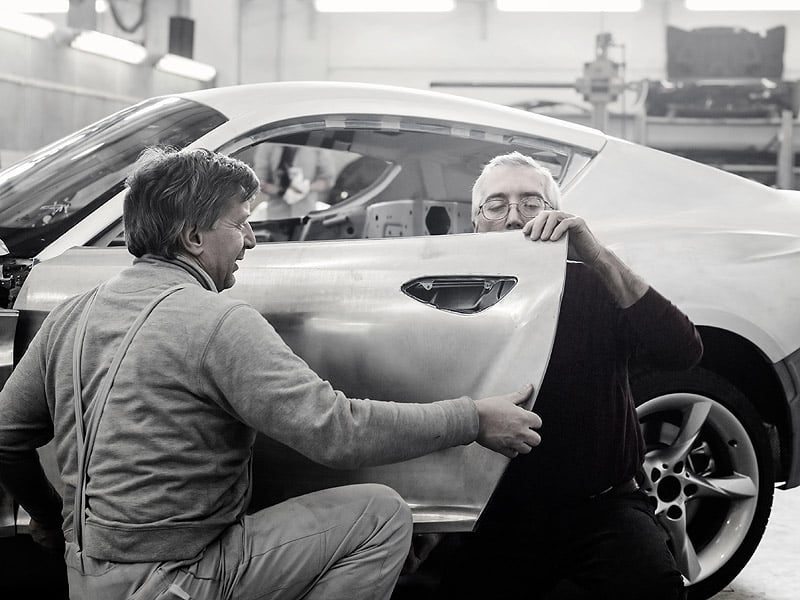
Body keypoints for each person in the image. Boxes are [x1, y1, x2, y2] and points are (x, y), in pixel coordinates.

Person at [0, 147, 543, 600]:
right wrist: (473, 418)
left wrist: (50, 520)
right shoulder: (219, 322)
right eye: (241, 225)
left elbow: (6, 438)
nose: (253, 241)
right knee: (381, 516)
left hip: (85, 576)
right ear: (193, 238)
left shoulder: (73, 313)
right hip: (176, 582)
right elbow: (338, 433)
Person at [437, 151, 704, 599]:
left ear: (557, 216)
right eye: (497, 204)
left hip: (603, 505)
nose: (513, 218)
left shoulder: (595, 286)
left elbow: (682, 351)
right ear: (475, 222)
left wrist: (595, 255)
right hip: (492, 510)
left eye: (532, 203)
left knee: (653, 586)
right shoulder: (450, 300)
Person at [251, 143, 335, 220]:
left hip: (307, 215)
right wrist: (281, 192)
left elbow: (328, 180)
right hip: (277, 216)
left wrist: (307, 187)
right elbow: (259, 182)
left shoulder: (316, 144)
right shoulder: (268, 145)